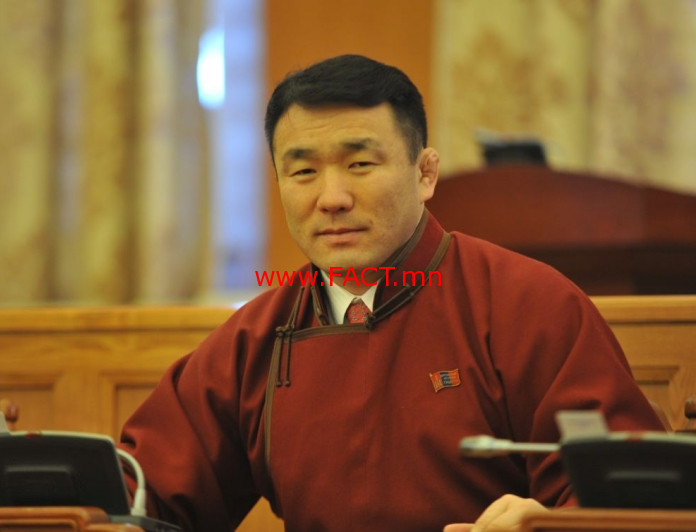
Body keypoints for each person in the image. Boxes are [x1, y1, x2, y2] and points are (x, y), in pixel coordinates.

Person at [119, 54, 664, 532]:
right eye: (303, 171)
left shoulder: (528, 304)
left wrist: (550, 524)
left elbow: (625, 495)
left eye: (360, 164)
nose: (332, 197)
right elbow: (146, 491)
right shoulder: (258, 336)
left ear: (425, 173)